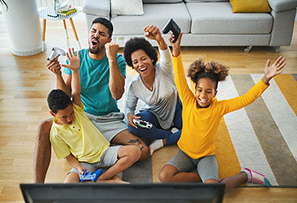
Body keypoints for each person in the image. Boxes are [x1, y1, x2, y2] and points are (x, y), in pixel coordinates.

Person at [158, 32, 286, 192]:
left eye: (208, 91)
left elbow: (246, 99)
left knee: (214, 190)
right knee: (164, 177)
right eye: (200, 90)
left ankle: (245, 175)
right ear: (195, 89)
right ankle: (201, 177)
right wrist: (176, 50)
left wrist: (265, 79)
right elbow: (178, 76)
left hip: (205, 157)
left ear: (215, 93)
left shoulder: (219, 108)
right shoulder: (188, 99)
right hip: (185, 153)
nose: (203, 95)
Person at [34, 17, 149, 183]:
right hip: (82, 117)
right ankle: (37, 188)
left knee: (143, 151)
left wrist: (110, 59)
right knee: (43, 126)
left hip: (109, 119)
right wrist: (58, 74)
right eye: (93, 31)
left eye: (101, 34)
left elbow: (117, 94)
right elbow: (66, 98)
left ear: (108, 41)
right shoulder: (77, 58)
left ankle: (100, 168)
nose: (96, 35)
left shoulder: (117, 60)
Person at [47, 48, 141, 183]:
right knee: (68, 184)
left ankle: (103, 178)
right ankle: (112, 181)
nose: (69, 118)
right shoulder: (55, 134)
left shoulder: (77, 110)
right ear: (53, 114)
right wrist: (79, 168)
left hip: (104, 152)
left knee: (135, 152)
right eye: (64, 117)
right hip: (85, 162)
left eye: (71, 114)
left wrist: (75, 71)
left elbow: (76, 91)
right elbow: (67, 156)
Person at [124, 25, 182, 155]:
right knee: (133, 126)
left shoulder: (163, 69)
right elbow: (129, 106)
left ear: (151, 58)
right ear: (132, 65)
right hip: (154, 115)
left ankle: (161, 141)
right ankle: (170, 135)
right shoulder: (135, 86)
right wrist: (129, 115)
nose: (140, 64)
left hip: (176, 110)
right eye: (135, 62)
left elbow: (166, 54)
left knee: (194, 127)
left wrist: (159, 39)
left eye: (143, 59)